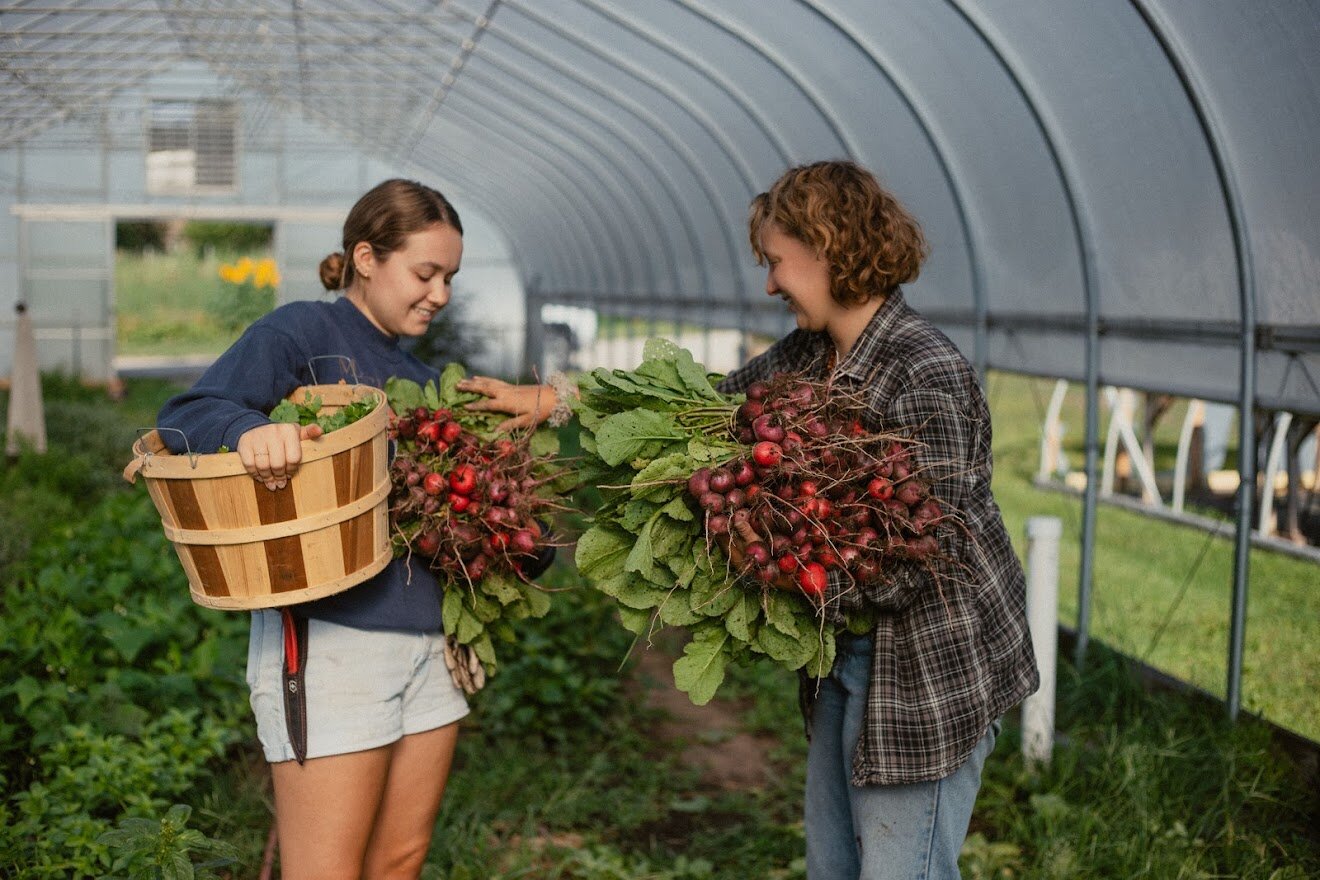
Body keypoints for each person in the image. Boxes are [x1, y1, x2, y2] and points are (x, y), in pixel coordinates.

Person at [462, 160, 1040, 879]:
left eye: (776, 262)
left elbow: (922, 558)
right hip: (844, 650)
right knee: (835, 865)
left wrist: (763, 570)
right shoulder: (814, 352)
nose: (769, 283)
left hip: (924, 668)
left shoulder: (924, 370)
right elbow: (696, 405)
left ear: (829, 247)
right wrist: (558, 402)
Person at [158, 179, 474, 879]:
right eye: (426, 273)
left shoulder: (426, 377)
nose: (441, 293)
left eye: (450, 277)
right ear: (366, 257)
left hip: (432, 644)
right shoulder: (301, 333)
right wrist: (248, 429)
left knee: (400, 860)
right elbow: (186, 413)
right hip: (334, 640)